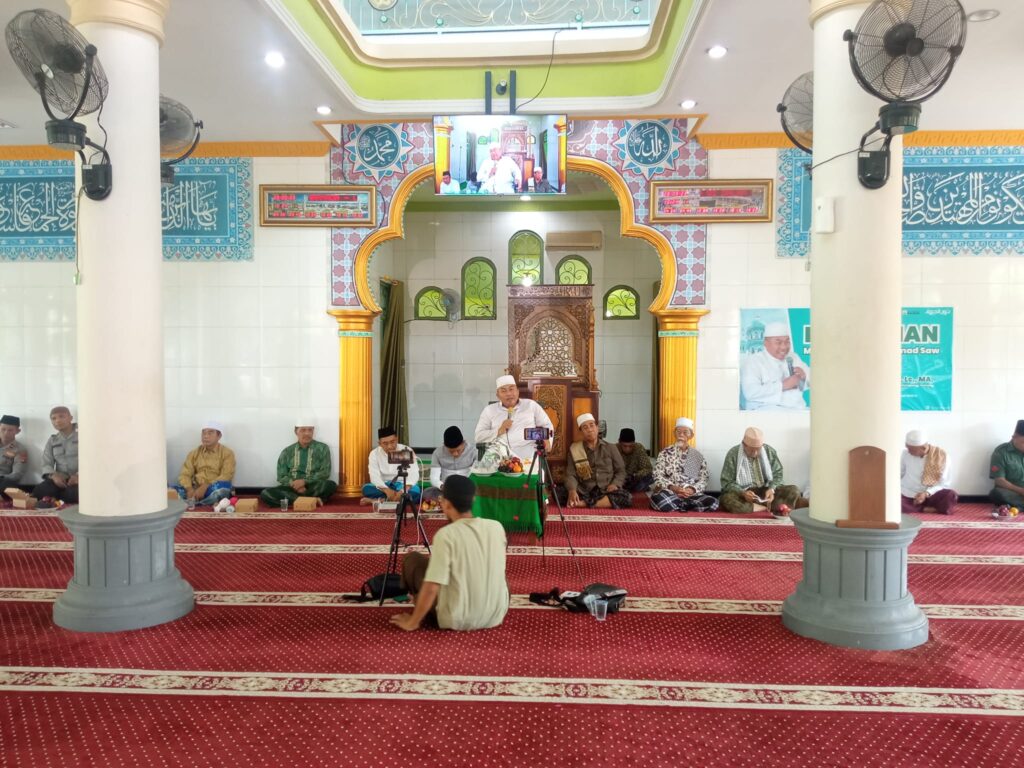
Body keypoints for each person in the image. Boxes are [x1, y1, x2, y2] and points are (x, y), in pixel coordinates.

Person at [391, 475, 509, 632]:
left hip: (456, 618)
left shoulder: (446, 535)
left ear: (445, 504)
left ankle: (418, 601)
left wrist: (412, 622)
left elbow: (432, 586)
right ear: (473, 500)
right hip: (495, 614)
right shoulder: (496, 527)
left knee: (412, 560)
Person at [719, 427, 807, 514]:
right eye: (752, 450)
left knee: (793, 490)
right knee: (727, 499)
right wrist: (743, 493)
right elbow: (727, 482)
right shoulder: (733, 454)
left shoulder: (769, 451)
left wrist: (771, 489)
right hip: (744, 494)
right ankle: (768, 507)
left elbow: (778, 473)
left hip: (766, 491)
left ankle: (757, 506)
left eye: (758, 449)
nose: (755, 453)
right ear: (744, 445)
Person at [474, 375, 554, 461]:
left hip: (528, 454)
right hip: (499, 455)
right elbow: (478, 436)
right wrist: (499, 431)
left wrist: (547, 439)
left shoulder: (531, 405)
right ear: (498, 395)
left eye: (511, 389)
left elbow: (547, 425)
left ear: (518, 391)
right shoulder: (489, 410)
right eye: (503, 391)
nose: (508, 394)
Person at [260, 418, 337, 506]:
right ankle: (311, 500)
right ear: (296, 432)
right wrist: (294, 484)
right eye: (303, 430)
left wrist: (304, 482)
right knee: (266, 493)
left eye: (310, 430)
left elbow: (325, 473)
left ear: (313, 431)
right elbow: (281, 476)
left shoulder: (323, 448)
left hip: (312, 486)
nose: (307, 433)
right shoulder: (287, 451)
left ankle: (296, 501)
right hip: (292, 488)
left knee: (330, 485)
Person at [559, 413, 630, 508]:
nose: (589, 429)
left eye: (592, 425)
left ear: (597, 428)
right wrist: (572, 490)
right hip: (584, 490)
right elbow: (571, 474)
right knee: (559, 493)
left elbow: (621, 471)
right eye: (585, 427)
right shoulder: (575, 449)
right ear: (581, 432)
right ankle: (597, 503)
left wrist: (615, 484)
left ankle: (583, 504)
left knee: (626, 497)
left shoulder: (611, 447)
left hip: (606, 490)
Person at [649, 417, 718, 513]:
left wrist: (692, 489)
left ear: (691, 435)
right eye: (678, 432)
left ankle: (679, 505)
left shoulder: (696, 455)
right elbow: (657, 475)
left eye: (685, 432)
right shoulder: (665, 453)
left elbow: (703, 479)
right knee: (659, 500)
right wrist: (673, 487)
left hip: (690, 495)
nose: (681, 435)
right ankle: (686, 505)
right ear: (674, 433)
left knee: (713, 503)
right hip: (670, 492)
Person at [741, 321, 810, 410]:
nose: (784, 347)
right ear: (765, 343)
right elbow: (750, 392)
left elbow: (810, 380)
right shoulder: (753, 361)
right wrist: (783, 385)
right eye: (778, 342)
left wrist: (803, 377)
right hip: (765, 410)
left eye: (787, 342)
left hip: (797, 408)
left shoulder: (793, 357)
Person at [169, 421, 236, 507]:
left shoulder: (227, 453)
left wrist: (206, 486)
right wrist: (189, 489)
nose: (206, 436)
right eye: (203, 433)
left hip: (213, 488)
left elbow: (226, 475)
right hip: (195, 489)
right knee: (170, 490)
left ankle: (192, 502)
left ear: (219, 436)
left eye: (210, 433)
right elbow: (185, 474)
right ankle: (198, 500)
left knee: (222, 488)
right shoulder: (194, 453)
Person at [900, 429, 958, 515]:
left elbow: (944, 483)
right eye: (907, 447)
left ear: (923, 448)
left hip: (931, 494)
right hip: (908, 493)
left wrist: (926, 493)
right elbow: (899, 473)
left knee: (951, 495)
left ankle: (916, 508)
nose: (908, 451)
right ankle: (925, 509)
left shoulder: (942, 457)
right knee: (891, 502)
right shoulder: (905, 454)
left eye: (911, 449)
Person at [361, 426, 421, 504]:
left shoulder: (406, 450)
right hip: (384, 485)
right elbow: (374, 476)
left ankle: (378, 501)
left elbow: (414, 474)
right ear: (379, 443)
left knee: (416, 491)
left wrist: (402, 490)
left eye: (392, 442)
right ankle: (400, 500)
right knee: (366, 489)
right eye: (385, 443)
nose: (389, 446)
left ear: (397, 439)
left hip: (402, 484)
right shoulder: (374, 454)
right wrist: (387, 490)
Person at [33, 406, 79, 505]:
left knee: (73, 494)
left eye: (61, 416)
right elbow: (46, 462)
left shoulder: (83, 434)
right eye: (53, 418)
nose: (57, 421)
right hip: (61, 479)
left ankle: (59, 498)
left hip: (79, 478)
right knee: (39, 491)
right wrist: (54, 476)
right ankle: (60, 497)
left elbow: (92, 459)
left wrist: (79, 476)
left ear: (70, 418)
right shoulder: (53, 440)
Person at [422, 426, 475, 506]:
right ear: (445, 445)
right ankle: (457, 501)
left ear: (463, 443)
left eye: (458, 450)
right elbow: (434, 478)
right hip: (446, 490)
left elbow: (476, 475)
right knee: (427, 493)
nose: (455, 454)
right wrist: (442, 486)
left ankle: (449, 501)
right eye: (451, 451)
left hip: (465, 490)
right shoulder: (438, 453)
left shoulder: (473, 452)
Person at [989, 420, 1024, 510]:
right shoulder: (1001, 452)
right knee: (996, 493)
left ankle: (1018, 506)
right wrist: (1021, 491)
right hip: (1013, 491)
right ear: (1014, 437)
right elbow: (999, 480)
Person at [617, 427, 653, 492]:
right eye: (624, 446)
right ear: (619, 442)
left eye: (630, 446)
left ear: (634, 443)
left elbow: (648, 468)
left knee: (651, 476)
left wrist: (634, 476)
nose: (627, 449)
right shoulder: (614, 449)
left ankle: (630, 488)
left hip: (635, 479)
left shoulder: (639, 448)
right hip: (619, 479)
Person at [0, 415, 27, 496]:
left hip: (3, 479)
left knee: (8, 485)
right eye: (3, 429)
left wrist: (2, 477)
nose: (6, 433)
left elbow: (17, 473)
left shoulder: (20, 450)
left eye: (10, 430)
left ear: (18, 431)